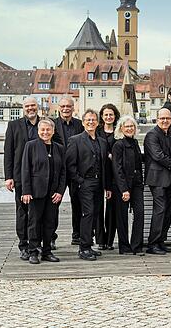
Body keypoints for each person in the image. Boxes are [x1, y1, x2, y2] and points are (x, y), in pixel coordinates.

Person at [65, 110, 111, 261]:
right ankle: (83, 248)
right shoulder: (75, 140)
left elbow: (105, 165)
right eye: (88, 120)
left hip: (99, 183)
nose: (91, 122)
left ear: (98, 122)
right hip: (85, 182)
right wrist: (80, 181)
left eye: (93, 120)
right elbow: (70, 165)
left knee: (96, 213)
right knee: (87, 213)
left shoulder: (102, 142)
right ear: (83, 122)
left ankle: (89, 245)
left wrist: (107, 186)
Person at [20, 118, 65, 264]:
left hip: (53, 193)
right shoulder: (30, 146)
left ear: (53, 131)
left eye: (48, 130)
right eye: (43, 130)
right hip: (35, 191)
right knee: (34, 222)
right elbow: (25, 169)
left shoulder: (59, 148)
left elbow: (63, 172)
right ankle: (33, 251)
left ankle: (47, 251)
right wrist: (26, 191)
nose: (45, 132)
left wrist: (60, 191)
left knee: (50, 222)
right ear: (38, 131)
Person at [145, 108, 171, 255]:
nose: (165, 121)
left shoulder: (170, 134)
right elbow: (158, 156)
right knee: (160, 210)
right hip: (157, 179)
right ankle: (153, 244)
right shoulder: (152, 135)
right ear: (157, 119)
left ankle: (160, 241)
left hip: (170, 179)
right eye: (162, 118)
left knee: (167, 211)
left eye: (167, 119)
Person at [4, 97, 41, 261]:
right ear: (23, 108)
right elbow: (8, 153)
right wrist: (8, 176)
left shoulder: (45, 124)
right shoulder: (14, 126)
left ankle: (37, 243)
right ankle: (23, 245)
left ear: (37, 107)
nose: (30, 108)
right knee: (22, 213)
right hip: (20, 176)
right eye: (27, 106)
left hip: (41, 177)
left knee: (39, 212)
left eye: (33, 105)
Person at [51, 96, 84, 248]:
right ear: (59, 107)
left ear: (73, 108)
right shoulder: (52, 125)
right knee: (53, 204)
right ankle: (50, 236)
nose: (66, 109)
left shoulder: (80, 124)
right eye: (63, 106)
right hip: (57, 170)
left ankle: (77, 234)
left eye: (68, 106)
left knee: (77, 203)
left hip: (76, 169)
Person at [112, 115, 145, 255]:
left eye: (132, 126)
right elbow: (117, 168)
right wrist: (124, 189)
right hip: (123, 185)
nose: (130, 128)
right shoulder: (118, 145)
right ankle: (124, 246)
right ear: (121, 129)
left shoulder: (135, 143)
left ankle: (136, 246)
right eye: (127, 126)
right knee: (122, 217)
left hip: (136, 184)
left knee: (139, 213)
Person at [96, 103, 119, 251]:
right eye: (106, 115)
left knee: (112, 208)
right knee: (98, 207)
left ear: (115, 116)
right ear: (102, 117)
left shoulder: (119, 130)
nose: (109, 117)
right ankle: (100, 240)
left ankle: (110, 240)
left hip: (114, 173)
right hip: (99, 171)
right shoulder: (97, 131)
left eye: (111, 114)